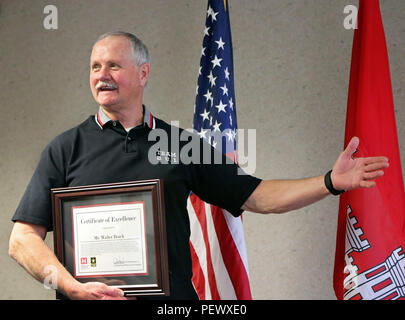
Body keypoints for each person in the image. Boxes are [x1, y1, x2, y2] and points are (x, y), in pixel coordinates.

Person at [9, 31, 389, 300]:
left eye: (113, 65)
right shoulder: (64, 149)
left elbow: (258, 195)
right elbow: (22, 239)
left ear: (143, 74)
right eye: (94, 66)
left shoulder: (181, 144)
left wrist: (330, 181)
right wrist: (71, 287)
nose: (101, 75)